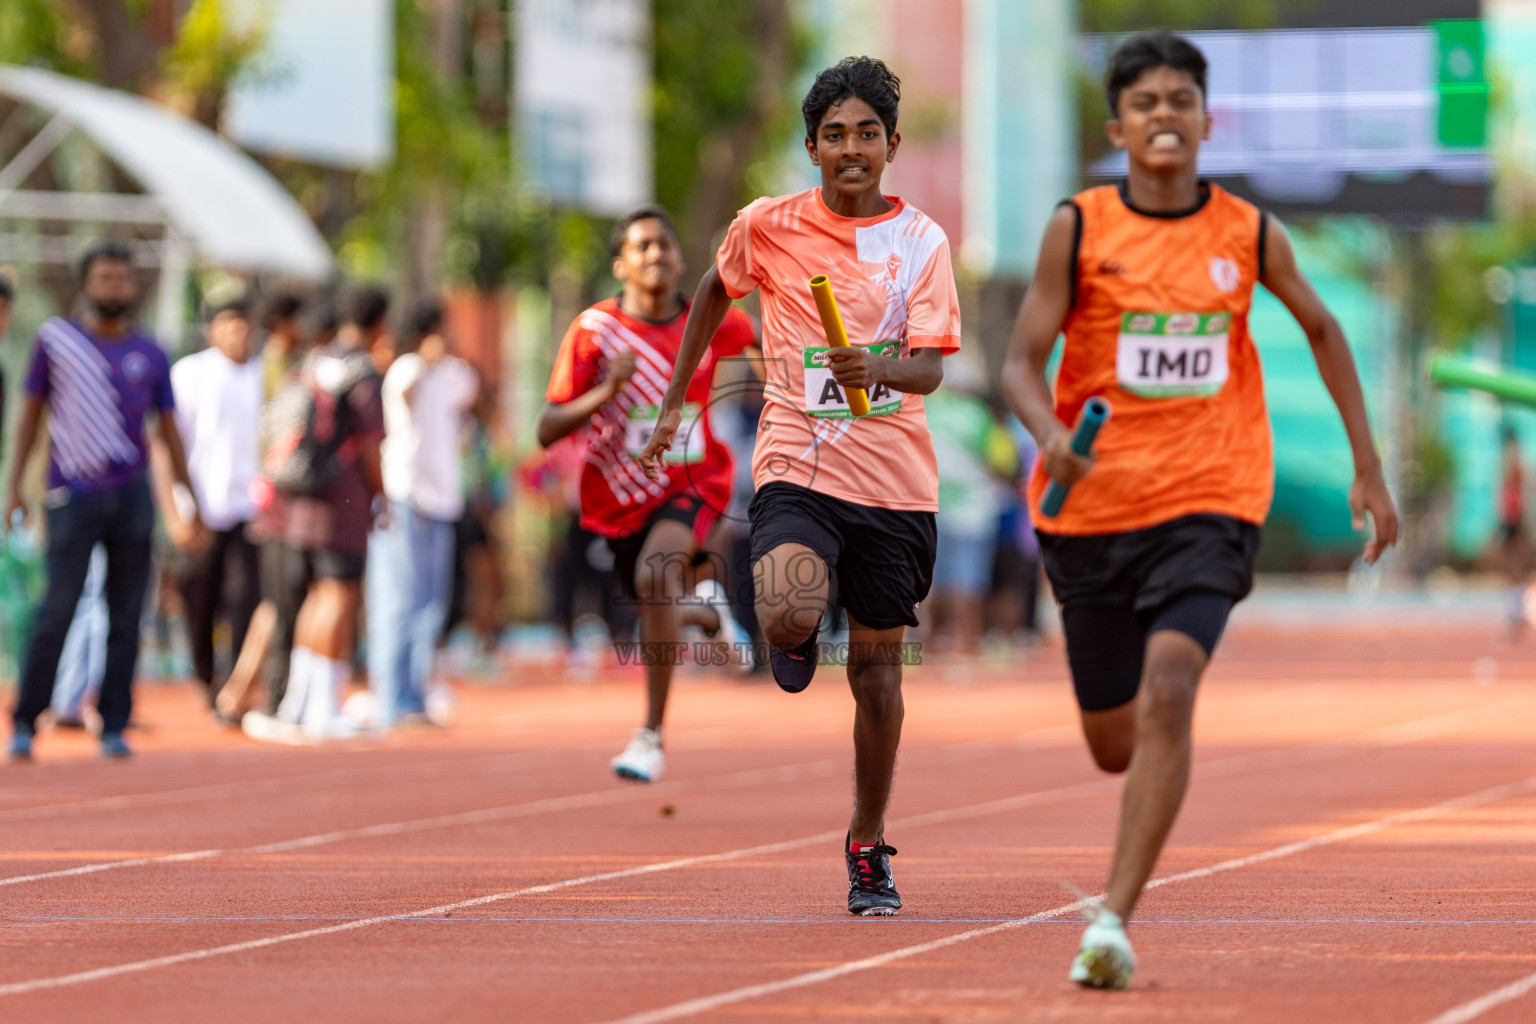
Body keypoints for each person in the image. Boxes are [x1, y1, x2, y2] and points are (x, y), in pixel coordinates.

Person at [1000, 31, 1400, 988]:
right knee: (1114, 742)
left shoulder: (1247, 231)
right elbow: (1017, 361)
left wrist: (1369, 468)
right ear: (1119, 127)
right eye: (1146, 103)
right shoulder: (1080, 226)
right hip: (1090, 508)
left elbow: (1323, 324)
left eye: (1182, 100)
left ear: (1207, 120)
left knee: (1173, 686)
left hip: (1211, 496)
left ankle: (1113, 923)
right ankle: (1150, 768)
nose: (1166, 116)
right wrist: (1044, 431)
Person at [639, 57, 962, 916]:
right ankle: (791, 629)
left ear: (891, 144)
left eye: (866, 134)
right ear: (811, 146)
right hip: (798, 459)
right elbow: (712, 290)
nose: (850, 149)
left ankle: (866, 840)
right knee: (784, 607)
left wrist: (877, 364)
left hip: (894, 483)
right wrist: (676, 401)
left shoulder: (921, 244)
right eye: (833, 136)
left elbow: (929, 369)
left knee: (879, 678)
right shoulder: (768, 225)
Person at [539, 203, 757, 784]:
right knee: (656, 601)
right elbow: (547, 428)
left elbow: (765, 365)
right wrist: (606, 389)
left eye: (665, 243)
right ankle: (705, 614)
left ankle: (651, 735)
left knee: (656, 580)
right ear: (621, 264)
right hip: (617, 497)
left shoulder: (716, 320)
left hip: (694, 480)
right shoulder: (595, 332)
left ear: (682, 258)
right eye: (642, 246)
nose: (656, 253)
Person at [6, 241, 205, 761]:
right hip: (71, 495)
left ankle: (113, 723)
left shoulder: (152, 352)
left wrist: (189, 496)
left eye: (122, 278)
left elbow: (168, 430)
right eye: (104, 279)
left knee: (126, 615)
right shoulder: (57, 343)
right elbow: (30, 415)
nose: (114, 287)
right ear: (85, 285)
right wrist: (14, 485)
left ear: (133, 286)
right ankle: (27, 720)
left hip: (132, 496)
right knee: (57, 609)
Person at [241, 286, 388, 744]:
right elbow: (368, 445)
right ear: (379, 323)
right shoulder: (363, 371)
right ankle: (324, 706)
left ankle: (299, 703)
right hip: (341, 498)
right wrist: (382, 494)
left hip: (300, 495)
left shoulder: (312, 362)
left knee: (314, 598)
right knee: (338, 596)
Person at [363, 298, 480, 728]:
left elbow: (472, 391)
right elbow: (405, 398)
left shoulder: (451, 371)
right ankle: (389, 697)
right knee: (398, 598)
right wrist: (424, 362)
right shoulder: (406, 368)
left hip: (441, 497)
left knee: (431, 603)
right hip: (404, 494)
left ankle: (414, 693)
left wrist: (447, 357)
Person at [162, 298, 264, 713]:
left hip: (252, 508)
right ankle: (204, 676)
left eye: (245, 324)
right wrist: (174, 509)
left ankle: (235, 690)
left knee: (246, 598)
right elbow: (166, 443)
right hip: (201, 505)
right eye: (229, 324)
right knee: (199, 598)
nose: (239, 333)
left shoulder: (264, 374)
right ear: (212, 330)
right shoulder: (190, 374)